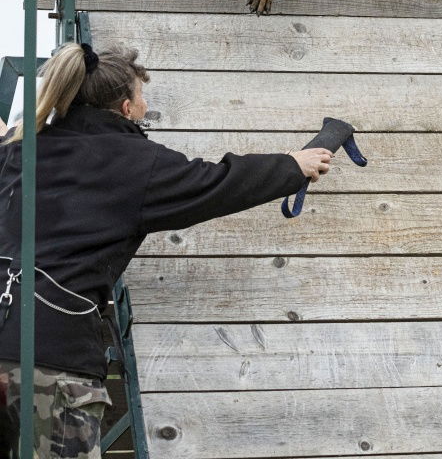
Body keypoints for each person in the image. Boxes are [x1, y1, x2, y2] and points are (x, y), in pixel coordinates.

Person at [0, 42, 332, 459]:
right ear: (125, 107)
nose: (145, 106)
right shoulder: (136, 162)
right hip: (51, 361)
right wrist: (291, 165)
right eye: (142, 98)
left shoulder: (19, 150)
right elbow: (216, 184)